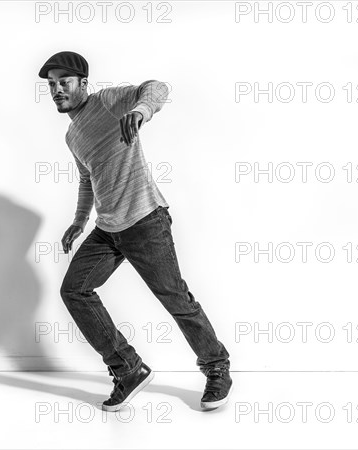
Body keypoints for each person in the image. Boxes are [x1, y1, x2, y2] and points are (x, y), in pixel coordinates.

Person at [39, 51, 231, 411]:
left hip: (145, 221)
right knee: (75, 290)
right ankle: (128, 368)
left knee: (175, 299)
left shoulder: (109, 101)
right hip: (107, 229)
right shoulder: (72, 134)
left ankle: (216, 366)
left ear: (83, 83)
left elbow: (157, 88)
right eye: (51, 85)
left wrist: (141, 111)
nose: (57, 90)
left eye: (64, 82)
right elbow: (87, 178)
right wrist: (79, 221)